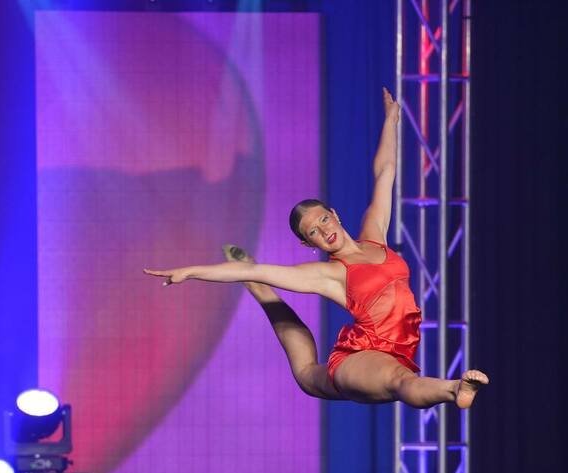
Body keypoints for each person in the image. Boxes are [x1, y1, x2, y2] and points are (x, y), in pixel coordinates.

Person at [144, 88, 489, 409]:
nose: (324, 231)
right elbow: (254, 268)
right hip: (359, 359)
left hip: (397, 349)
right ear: (308, 243)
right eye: (313, 232)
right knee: (394, 380)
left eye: (324, 220)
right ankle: (454, 388)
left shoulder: (374, 235)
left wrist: (391, 119)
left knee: (311, 374)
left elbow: (385, 172)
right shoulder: (329, 273)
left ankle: (260, 292)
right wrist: (189, 271)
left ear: (334, 215)